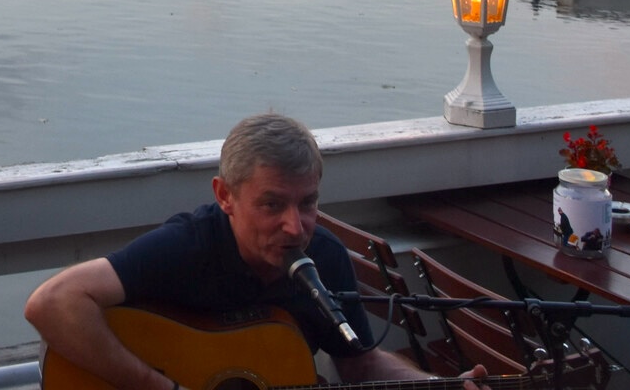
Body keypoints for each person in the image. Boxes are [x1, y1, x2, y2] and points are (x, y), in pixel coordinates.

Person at [25, 113, 486, 389]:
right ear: (225, 196)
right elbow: (52, 303)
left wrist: (438, 385)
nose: (295, 225)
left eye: (308, 203)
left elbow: (360, 362)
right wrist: (158, 385)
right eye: (272, 204)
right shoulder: (190, 246)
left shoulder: (322, 258)